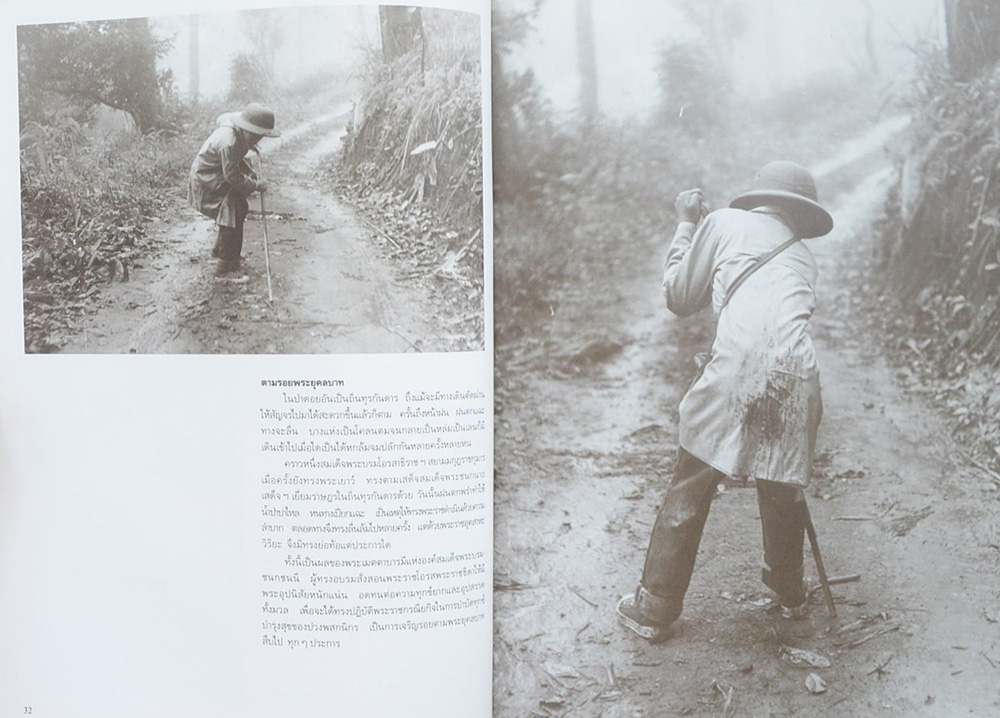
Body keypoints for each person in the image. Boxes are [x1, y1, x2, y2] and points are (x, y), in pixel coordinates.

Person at [617, 160, 834, 643]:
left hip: (736, 366)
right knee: (780, 484)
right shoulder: (803, 257)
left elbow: (678, 296)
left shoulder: (722, 223)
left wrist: (688, 224)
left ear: (760, 198)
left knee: (693, 480)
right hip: (798, 376)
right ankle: (789, 593)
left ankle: (654, 608)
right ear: (798, 214)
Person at [188, 102, 280, 276]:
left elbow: (237, 160)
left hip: (218, 173)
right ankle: (224, 265)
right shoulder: (229, 143)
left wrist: (249, 145)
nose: (256, 140)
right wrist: (255, 185)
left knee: (240, 207)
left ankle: (225, 252)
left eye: (259, 137)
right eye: (254, 136)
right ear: (245, 128)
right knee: (232, 211)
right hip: (207, 178)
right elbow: (232, 177)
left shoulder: (238, 128)